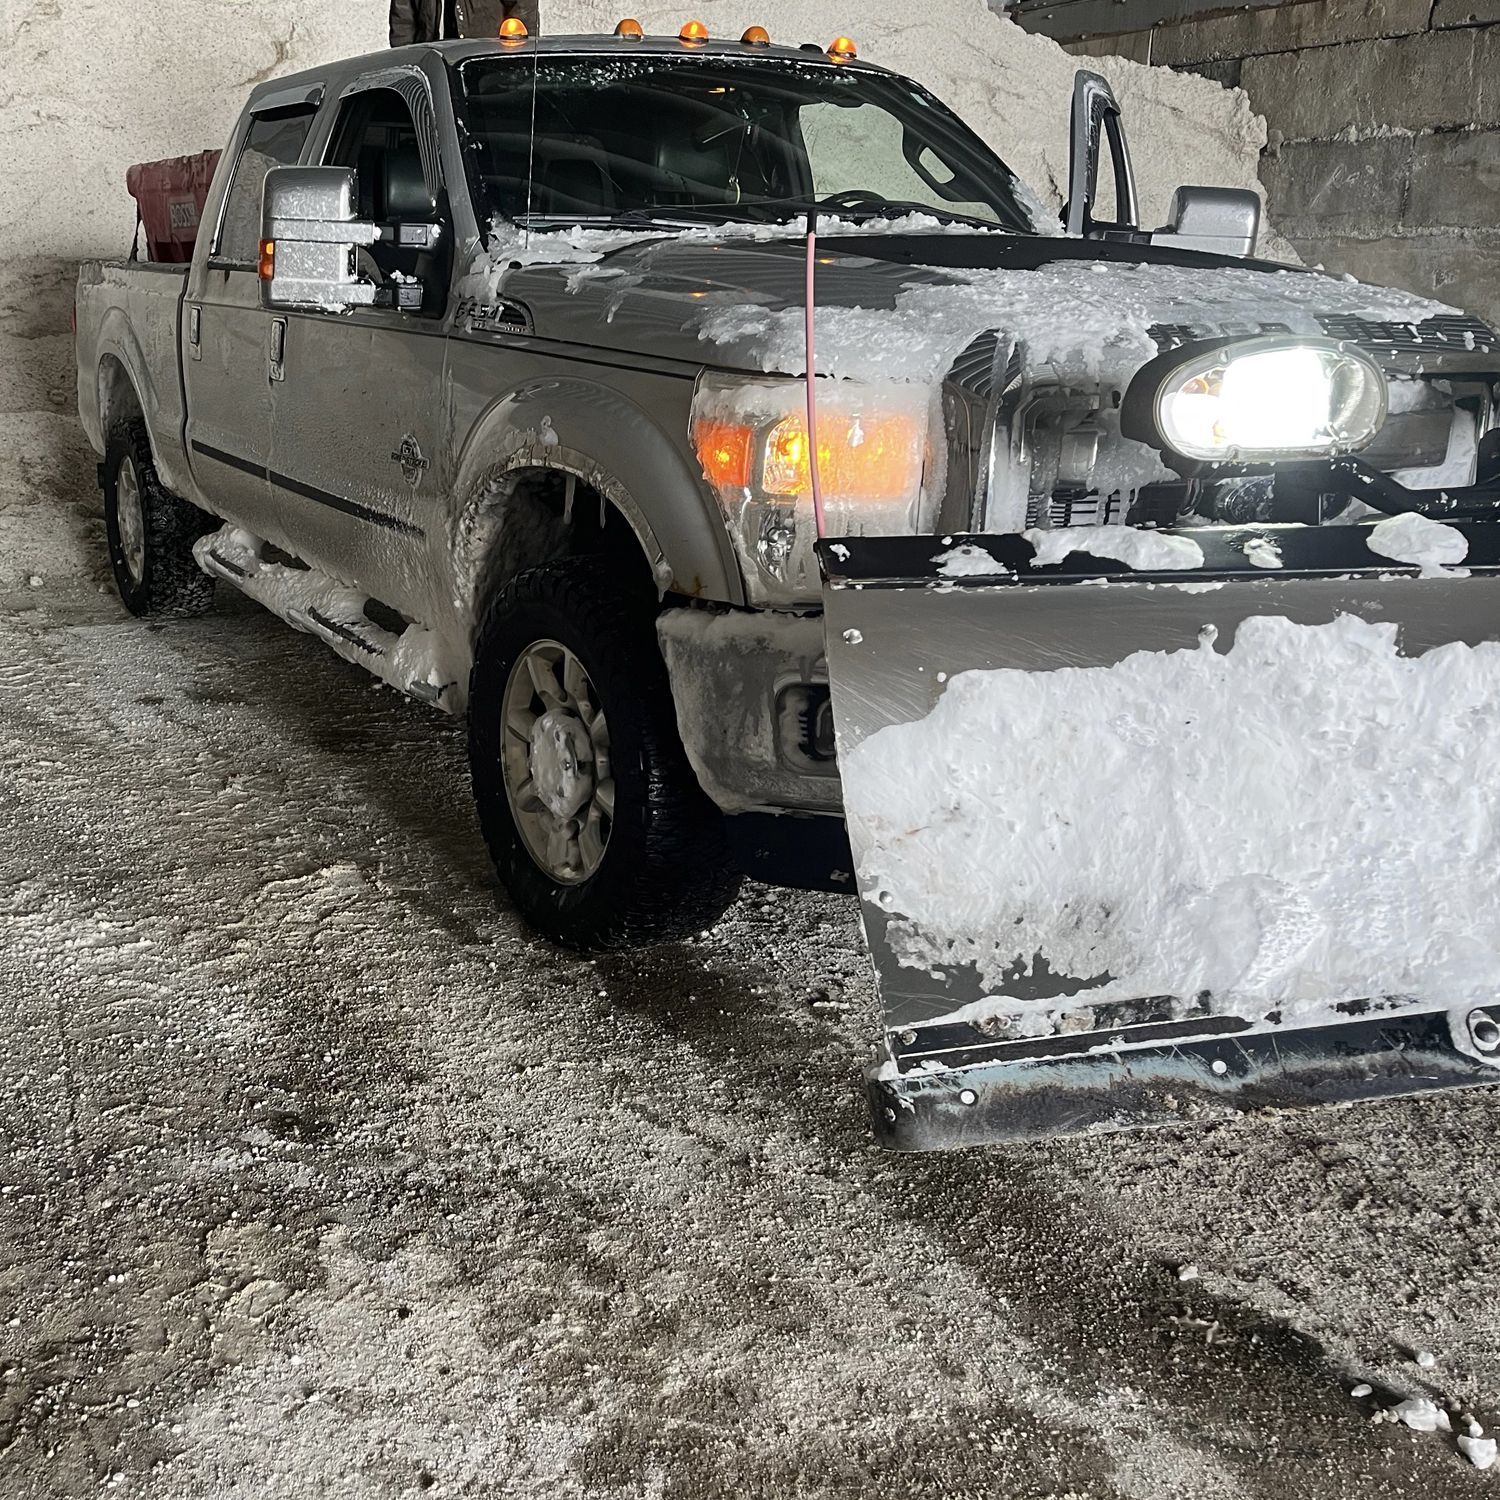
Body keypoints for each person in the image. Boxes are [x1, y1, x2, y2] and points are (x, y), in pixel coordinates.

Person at [390, 0, 540, 45]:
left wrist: (521, 60)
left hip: (486, 65)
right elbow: (403, 19)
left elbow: (523, 8)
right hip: (432, 61)